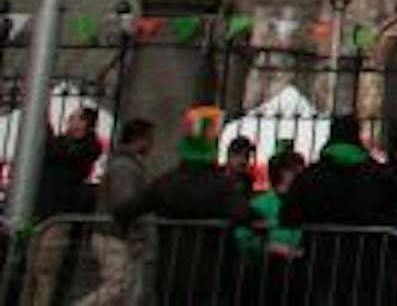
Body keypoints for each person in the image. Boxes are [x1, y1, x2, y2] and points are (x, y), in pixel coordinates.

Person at [113, 106, 252, 305]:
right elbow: (243, 213)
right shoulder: (221, 186)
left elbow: (125, 210)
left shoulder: (166, 183)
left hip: (172, 271)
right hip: (211, 272)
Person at [283, 113, 397, 304]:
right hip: (366, 265)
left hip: (320, 263)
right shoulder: (380, 175)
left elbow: (288, 216)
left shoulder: (310, 176)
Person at [25, 104, 103, 306]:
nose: (70, 122)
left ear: (88, 124)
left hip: (58, 216)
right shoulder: (61, 143)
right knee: (30, 270)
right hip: (40, 212)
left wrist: (44, 118)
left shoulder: (87, 147)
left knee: (45, 271)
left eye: (76, 118)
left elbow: (62, 150)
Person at [76, 117, 153, 306]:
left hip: (114, 234)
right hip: (114, 235)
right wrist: (136, 235)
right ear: (139, 139)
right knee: (118, 287)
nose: (152, 144)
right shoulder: (124, 167)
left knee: (125, 290)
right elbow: (125, 205)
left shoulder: (125, 164)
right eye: (149, 138)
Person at [237, 148, 307, 306]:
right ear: (282, 173)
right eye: (294, 170)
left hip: (293, 271)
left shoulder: (303, 204)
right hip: (265, 271)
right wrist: (270, 247)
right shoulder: (260, 204)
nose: (300, 175)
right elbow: (242, 235)